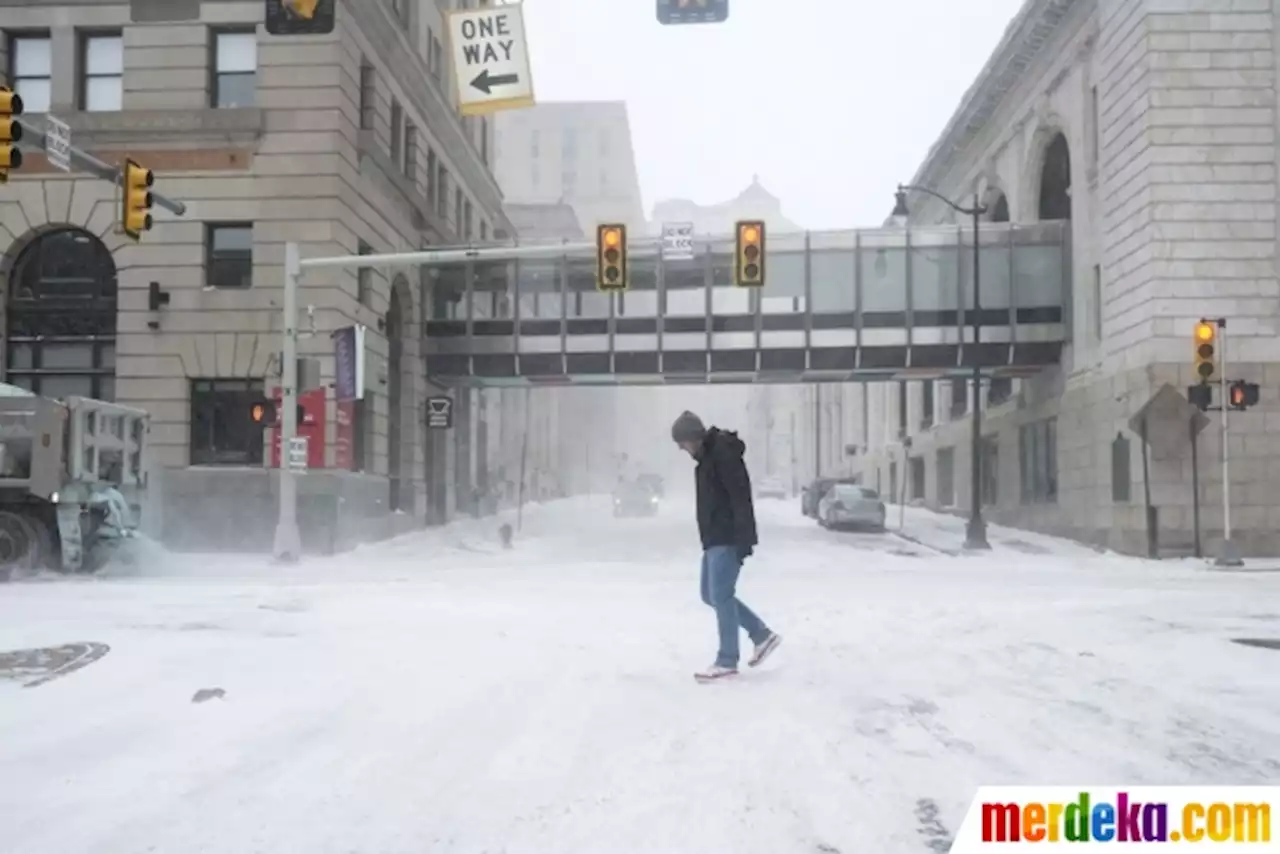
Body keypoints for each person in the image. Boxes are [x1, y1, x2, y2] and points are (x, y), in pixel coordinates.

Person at [671, 410, 781, 682]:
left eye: (682, 442)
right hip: (713, 539)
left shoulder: (722, 454)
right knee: (710, 595)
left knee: (721, 594)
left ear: (692, 437)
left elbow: (739, 496)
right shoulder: (707, 458)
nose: (681, 449)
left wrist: (744, 539)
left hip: (727, 537)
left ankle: (727, 660)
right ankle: (762, 635)